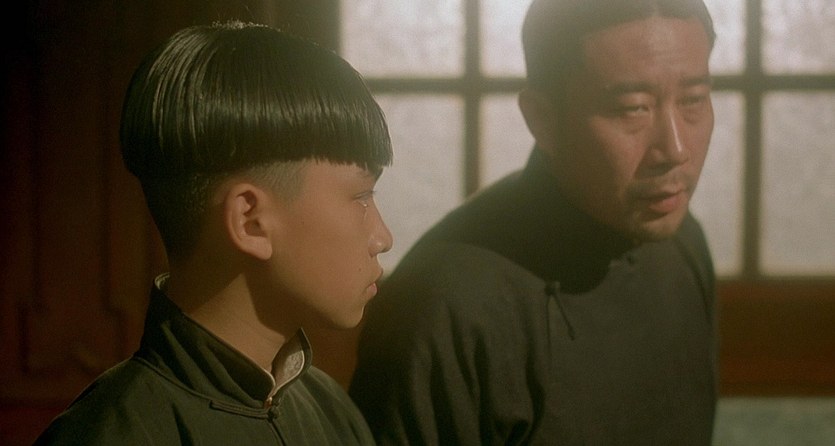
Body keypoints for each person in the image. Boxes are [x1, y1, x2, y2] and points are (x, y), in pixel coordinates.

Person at [349, 0, 718, 444]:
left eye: (693, 100)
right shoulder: (444, 305)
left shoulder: (682, 243)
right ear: (542, 119)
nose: (676, 149)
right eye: (632, 108)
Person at [35, 20, 392, 445]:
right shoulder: (111, 434)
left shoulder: (331, 411)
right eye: (361, 196)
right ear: (250, 221)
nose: (382, 238)